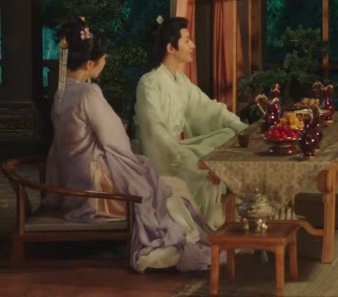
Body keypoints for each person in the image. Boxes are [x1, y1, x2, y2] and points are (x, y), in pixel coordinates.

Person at [44, 18, 212, 272]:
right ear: (89, 64)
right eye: (103, 59)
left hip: (72, 180)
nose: (105, 63)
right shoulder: (89, 93)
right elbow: (115, 141)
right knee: (166, 188)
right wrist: (133, 160)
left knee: (167, 185)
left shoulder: (61, 93)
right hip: (95, 187)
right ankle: (184, 243)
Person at [135, 16, 248, 229]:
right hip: (161, 157)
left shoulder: (181, 81)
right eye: (187, 40)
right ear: (170, 48)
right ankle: (206, 230)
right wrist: (181, 156)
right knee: (207, 175)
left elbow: (209, 110)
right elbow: (155, 129)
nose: (193, 46)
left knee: (228, 135)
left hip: (178, 151)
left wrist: (242, 128)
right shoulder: (149, 83)